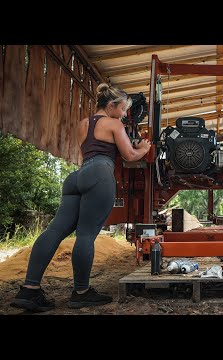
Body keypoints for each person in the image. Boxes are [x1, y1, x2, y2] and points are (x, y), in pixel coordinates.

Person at [10, 83, 152, 312]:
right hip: (99, 175)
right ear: (111, 105)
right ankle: (81, 292)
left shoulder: (83, 124)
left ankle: (30, 289)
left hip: (77, 176)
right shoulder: (114, 123)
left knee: (54, 231)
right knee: (86, 234)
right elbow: (129, 155)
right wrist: (144, 148)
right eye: (123, 109)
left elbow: (94, 149)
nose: (125, 115)